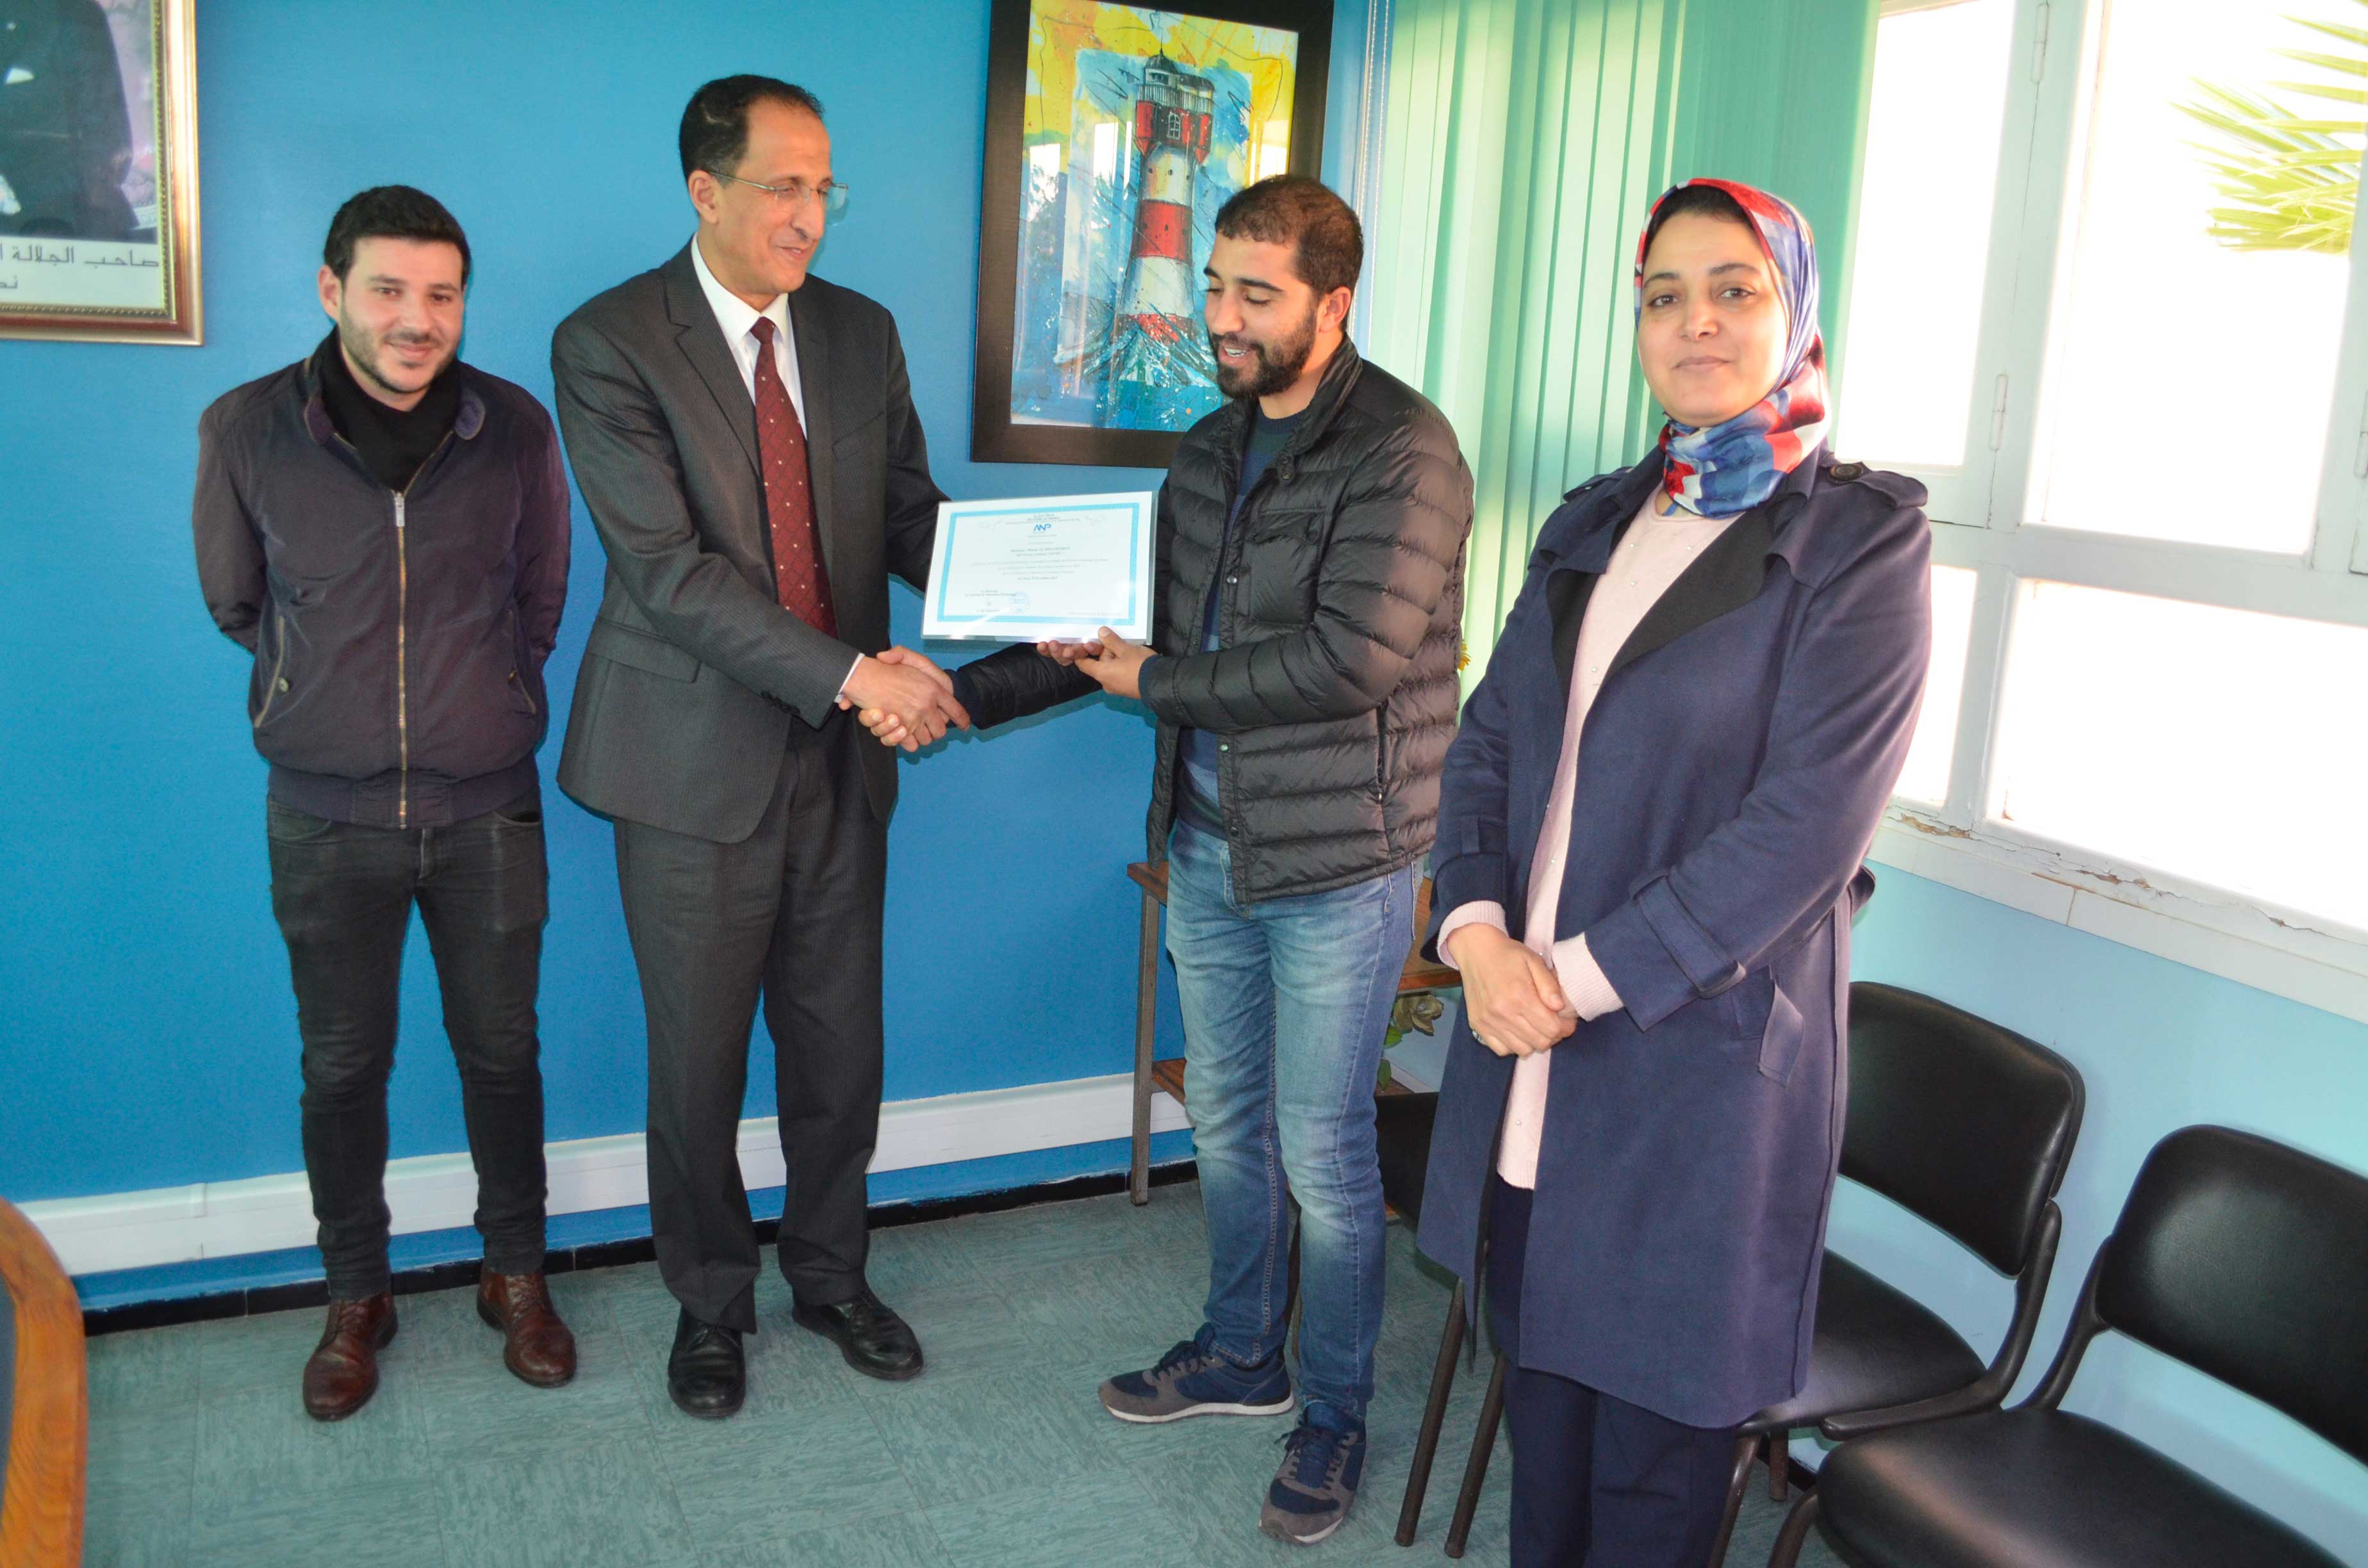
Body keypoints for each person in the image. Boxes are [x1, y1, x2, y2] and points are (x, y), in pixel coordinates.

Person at [933, 174, 1474, 1546]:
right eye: (1215, 285)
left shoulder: (1406, 453)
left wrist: (1158, 679)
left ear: (1331, 306)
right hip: (1211, 842)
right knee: (1228, 1123)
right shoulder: (1207, 447)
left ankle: (1336, 1412)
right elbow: (1115, 625)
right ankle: (1247, 1354)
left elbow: (1348, 663)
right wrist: (954, 696)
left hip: (1343, 862)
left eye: (1254, 295)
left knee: (1325, 1151)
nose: (1218, 317)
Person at [1415, 177, 1932, 1565]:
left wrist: (1564, 982)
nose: (1695, 321)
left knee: (1652, 1488)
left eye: (1734, 288)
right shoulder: (1595, 522)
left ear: (1796, 310)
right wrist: (1472, 936)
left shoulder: (1861, 545)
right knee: (1548, 1451)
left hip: (1690, 1081)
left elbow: (1799, 836)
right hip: (1529, 1049)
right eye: (1664, 295)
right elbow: (1486, 749)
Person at [550, 74, 973, 1420]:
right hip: (685, 764)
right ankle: (710, 1303)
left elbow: (909, 516)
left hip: (837, 764)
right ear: (706, 190)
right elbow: (670, 575)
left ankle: (831, 1273)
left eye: (824, 188)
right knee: (699, 1061)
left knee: (841, 1043)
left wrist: (1029, 588)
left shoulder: (860, 333)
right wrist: (859, 676)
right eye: (783, 187)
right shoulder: (608, 341)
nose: (809, 217)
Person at [192, 186, 576, 1421]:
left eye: (443, 294)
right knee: (343, 1066)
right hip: (324, 815)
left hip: (487, 810)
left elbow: (543, 597)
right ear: (332, 290)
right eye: (390, 290)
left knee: (501, 1054)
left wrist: (491, 695)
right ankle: (357, 1292)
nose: (419, 320)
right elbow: (237, 603)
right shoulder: (247, 429)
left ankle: (514, 1272)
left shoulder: (513, 427)